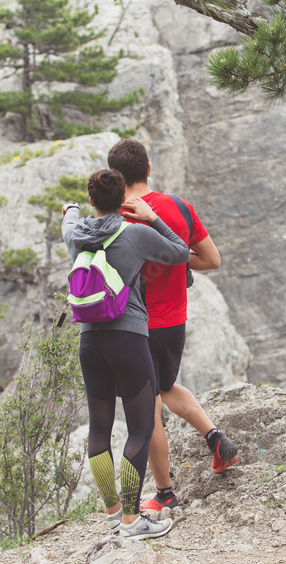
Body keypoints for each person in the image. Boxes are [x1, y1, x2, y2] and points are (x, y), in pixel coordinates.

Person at [108, 139, 238, 514]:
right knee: (163, 386)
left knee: (146, 411)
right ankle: (215, 437)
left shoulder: (114, 216)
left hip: (135, 325)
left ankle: (164, 493)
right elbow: (211, 260)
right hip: (175, 321)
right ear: (148, 169)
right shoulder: (179, 207)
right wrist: (176, 261)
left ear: (116, 176)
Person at [61, 168, 189, 540]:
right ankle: (134, 519)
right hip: (128, 338)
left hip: (90, 342)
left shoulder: (75, 234)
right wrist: (153, 218)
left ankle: (114, 513)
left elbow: (67, 218)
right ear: (123, 201)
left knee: (99, 428)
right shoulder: (134, 233)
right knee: (141, 427)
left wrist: (71, 209)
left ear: (91, 201)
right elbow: (180, 253)